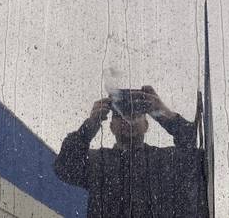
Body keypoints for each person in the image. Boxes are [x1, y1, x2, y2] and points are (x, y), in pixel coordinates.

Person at [54, 86, 208, 217]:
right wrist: (90, 124)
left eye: (135, 114)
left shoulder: (164, 160)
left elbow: (191, 151)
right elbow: (65, 167)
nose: (127, 120)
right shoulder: (98, 162)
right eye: (120, 115)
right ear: (111, 127)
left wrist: (162, 111)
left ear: (146, 125)